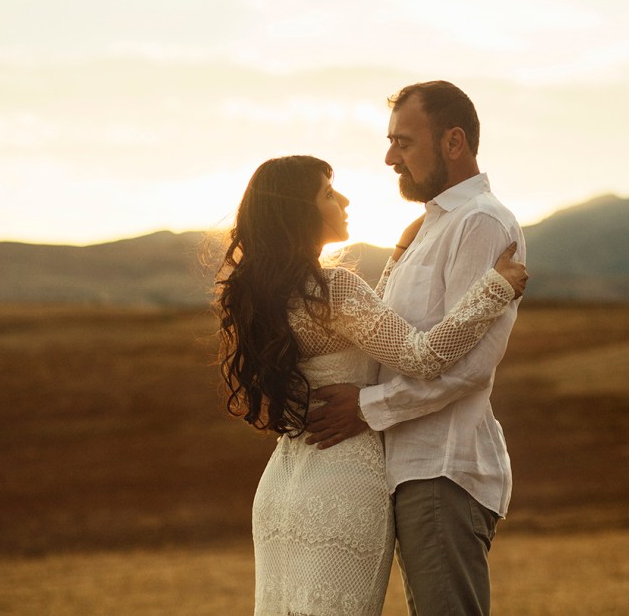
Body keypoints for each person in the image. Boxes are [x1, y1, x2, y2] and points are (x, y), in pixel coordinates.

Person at [215, 154, 527, 615]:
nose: (342, 199)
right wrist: (493, 291)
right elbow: (420, 356)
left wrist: (398, 257)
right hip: (343, 480)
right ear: (298, 212)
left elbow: (359, 329)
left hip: (283, 487)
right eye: (327, 193)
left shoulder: (273, 294)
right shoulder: (333, 288)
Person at [306, 81, 526, 615]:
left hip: (441, 467)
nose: (389, 157)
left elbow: (468, 369)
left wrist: (366, 409)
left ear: (454, 143)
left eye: (403, 142)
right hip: (411, 469)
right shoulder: (430, 228)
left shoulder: (478, 221)